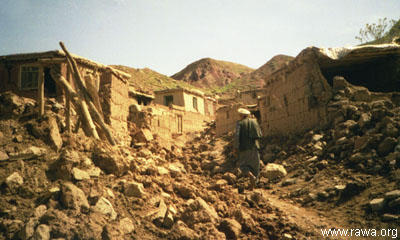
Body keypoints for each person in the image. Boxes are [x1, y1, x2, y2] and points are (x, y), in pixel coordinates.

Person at [234, 108, 262, 190]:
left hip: (244, 148)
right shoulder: (254, 122)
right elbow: (259, 134)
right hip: (255, 147)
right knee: (255, 166)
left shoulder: (240, 123)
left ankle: (250, 176)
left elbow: (237, 136)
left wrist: (235, 148)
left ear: (241, 115)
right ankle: (253, 185)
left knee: (243, 165)